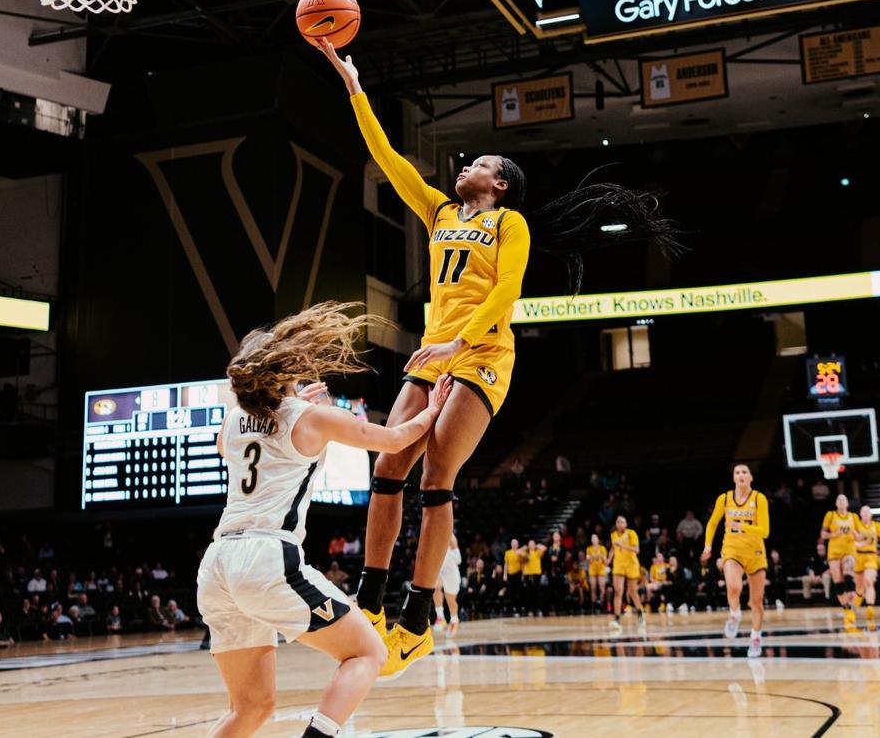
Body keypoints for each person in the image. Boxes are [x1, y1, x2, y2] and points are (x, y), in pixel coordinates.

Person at [321, 39, 681, 677]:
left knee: (436, 475)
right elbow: (383, 154)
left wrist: (462, 341)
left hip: (484, 351)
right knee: (387, 464)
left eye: (479, 164)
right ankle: (370, 600)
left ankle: (417, 617)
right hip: (434, 354)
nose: (465, 167)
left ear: (501, 183)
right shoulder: (437, 211)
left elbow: (507, 294)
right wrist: (354, 86)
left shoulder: (509, 225)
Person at [195, 303, 454, 738]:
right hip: (265, 557)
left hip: (217, 564)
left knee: (251, 707)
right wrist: (432, 411)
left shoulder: (233, 421)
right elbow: (392, 440)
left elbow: (234, 444)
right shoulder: (313, 416)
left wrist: (290, 403)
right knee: (368, 653)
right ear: (285, 371)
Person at [701, 462, 770, 657]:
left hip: (756, 553)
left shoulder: (759, 499)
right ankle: (735, 614)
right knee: (734, 587)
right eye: (737, 472)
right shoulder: (724, 498)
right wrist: (708, 545)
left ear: (750, 478)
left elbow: (764, 531)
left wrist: (741, 526)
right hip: (732, 550)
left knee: (756, 602)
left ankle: (756, 638)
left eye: (744, 472)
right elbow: (713, 523)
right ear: (733, 478)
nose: (741, 475)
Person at [818, 494, 859, 630]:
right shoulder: (830, 515)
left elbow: (859, 534)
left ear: (847, 503)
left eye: (843, 499)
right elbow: (823, 534)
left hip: (849, 551)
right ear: (836, 503)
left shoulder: (853, 517)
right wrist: (833, 535)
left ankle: (852, 607)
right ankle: (846, 609)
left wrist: (855, 534)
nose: (841, 501)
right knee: (838, 583)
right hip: (834, 552)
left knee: (848, 576)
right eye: (839, 499)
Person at [851, 507, 880, 631]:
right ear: (860, 514)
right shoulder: (856, 525)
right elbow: (851, 541)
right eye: (863, 512)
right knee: (859, 588)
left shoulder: (876, 525)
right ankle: (853, 609)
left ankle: (869, 609)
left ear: (871, 514)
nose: (866, 514)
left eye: (868, 512)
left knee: (869, 581)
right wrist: (859, 544)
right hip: (858, 556)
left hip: (871, 556)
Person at [607, 515, 644, 631]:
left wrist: (622, 545)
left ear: (626, 524)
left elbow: (637, 550)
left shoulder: (631, 533)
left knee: (632, 591)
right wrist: (608, 559)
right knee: (618, 591)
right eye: (618, 522)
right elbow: (613, 548)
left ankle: (640, 612)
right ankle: (617, 618)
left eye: (622, 522)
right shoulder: (613, 535)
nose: (619, 524)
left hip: (631, 564)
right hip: (618, 564)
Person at [433, 534, 462, 634]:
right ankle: (440, 617)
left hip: (451, 572)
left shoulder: (450, 537)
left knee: (451, 601)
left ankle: (454, 619)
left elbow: (458, 560)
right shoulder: (431, 533)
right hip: (440, 569)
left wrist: (445, 551)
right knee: (436, 587)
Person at [585, 534, 609, 609]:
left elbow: (605, 561)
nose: (594, 540)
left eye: (595, 538)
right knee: (593, 587)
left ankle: (601, 602)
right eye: (592, 538)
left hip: (601, 568)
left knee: (602, 587)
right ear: (591, 540)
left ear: (598, 540)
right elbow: (589, 560)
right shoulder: (589, 549)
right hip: (592, 569)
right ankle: (593, 604)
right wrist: (596, 557)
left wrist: (600, 557)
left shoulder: (603, 548)